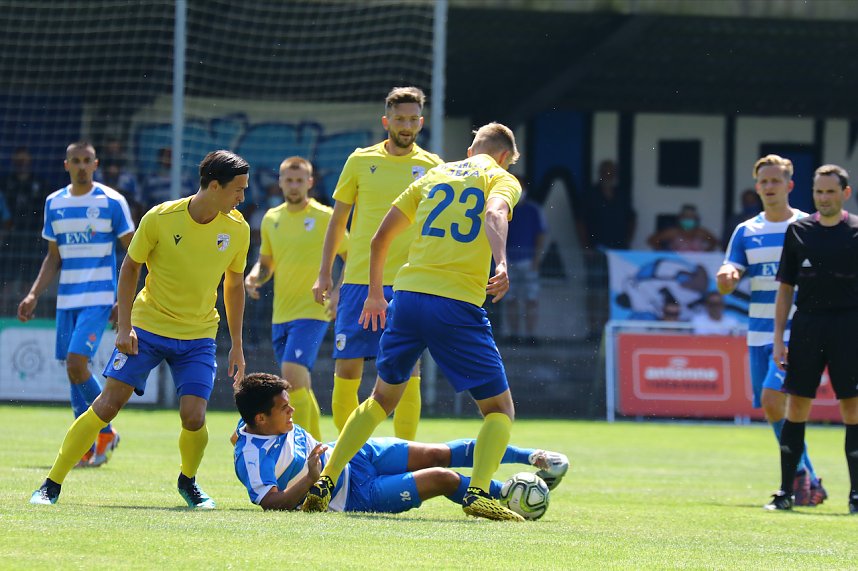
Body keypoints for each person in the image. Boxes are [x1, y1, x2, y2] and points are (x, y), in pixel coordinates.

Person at [302, 122, 526, 521]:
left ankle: (327, 479)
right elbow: (494, 213)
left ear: (470, 149)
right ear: (506, 156)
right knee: (498, 410)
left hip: (405, 297)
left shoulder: (435, 174)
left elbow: (377, 238)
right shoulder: (502, 178)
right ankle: (477, 493)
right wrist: (503, 262)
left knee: (379, 399)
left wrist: (375, 294)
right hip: (455, 304)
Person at [30, 150, 251, 508]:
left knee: (194, 416)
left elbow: (234, 284)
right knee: (107, 404)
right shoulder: (161, 218)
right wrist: (125, 327)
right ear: (213, 186)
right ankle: (50, 484)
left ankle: (188, 482)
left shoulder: (238, 229)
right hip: (147, 328)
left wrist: (237, 344)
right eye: (238, 190)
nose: (243, 197)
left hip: (198, 335)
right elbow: (131, 267)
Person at [233, 372, 568, 512]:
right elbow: (270, 503)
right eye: (283, 408)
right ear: (261, 419)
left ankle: (533, 457)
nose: (292, 409)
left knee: (437, 451)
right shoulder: (250, 456)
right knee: (442, 477)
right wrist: (309, 479)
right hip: (354, 495)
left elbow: (239, 428)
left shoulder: (252, 420)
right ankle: (507, 494)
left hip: (356, 453)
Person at [313, 86, 443, 440]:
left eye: (413, 119)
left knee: (408, 370)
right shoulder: (359, 161)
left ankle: (405, 456)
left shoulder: (434, 168)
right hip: (357, 283)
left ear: (421, 122)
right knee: (348, 368)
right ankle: (352, 460)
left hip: (409, 284)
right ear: (387, 120)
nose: (406, 125)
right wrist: (325, 273)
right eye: (400, 118)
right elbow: (338, 222)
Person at [17, 141, 135, 467]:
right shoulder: (54, 202)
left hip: (98, 298)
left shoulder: (112, 202)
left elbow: (135, 253)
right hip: (66, 299)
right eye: (76, 161)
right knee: (74, 372)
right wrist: (33, 294)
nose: (82, 166)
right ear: (66, 164)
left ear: (95, 164)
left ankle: (106, 431)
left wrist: (122, 300)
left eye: (87, 160)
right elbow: (53, 257)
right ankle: (85, 444)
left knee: (75, 362)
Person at [717, 154, 825, 507]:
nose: (768, 187)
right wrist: (728, 278)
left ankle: (800, 477)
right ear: (756, 186)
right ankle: (808, 477)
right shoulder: (747, 230)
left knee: (772, 400)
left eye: (775, 181)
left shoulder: (808, 226)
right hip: (757, 333)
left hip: (798, 332)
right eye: (763, 181)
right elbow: (728, 276)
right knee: (776, 409)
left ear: (790, 185)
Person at [766, 164, 858, 513]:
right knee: (797, 406)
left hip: (850, 327)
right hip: (807, 326)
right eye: (818, 191)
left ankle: (856, 496)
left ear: (844, 194)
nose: (823, 197)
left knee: (852, 408)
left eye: (830, 191)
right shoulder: (798, 231)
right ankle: (786, 492)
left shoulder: (856, 231)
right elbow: (785, 288)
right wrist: (778, 338)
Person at [244, 156, 348, 441]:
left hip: (313, 312)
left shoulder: (326, 217)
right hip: (281, 315)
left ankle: (311, 454)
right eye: (288, 180)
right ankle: (317, 449)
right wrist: (254, 276)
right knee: (299, 385)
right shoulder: (271, 219)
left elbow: (352, 258)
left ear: (310, 183)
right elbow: (267, 263)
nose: (293, 185)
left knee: (291, 376)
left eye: (299, 180)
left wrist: (339, 291)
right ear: (280, 182)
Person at [575, 159, 636, 341]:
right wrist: (586, 246)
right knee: (595, 291)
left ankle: (609, 329)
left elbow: (632, 219)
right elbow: (581, 222)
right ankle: (594, 329)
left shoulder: (621, 195)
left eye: (612, 172)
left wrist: (627, 242)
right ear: (600, 173)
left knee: (615, 290)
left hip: (618, 252)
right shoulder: (590, 194)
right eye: (605, 171)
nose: (608, 175)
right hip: (596, 250)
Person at [504, 176, 548, 345]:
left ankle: (531, 335)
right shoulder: (505, 209)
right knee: (511, 299)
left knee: (531, 299)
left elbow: (541, 234)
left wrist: (537, 259)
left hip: (529, 262)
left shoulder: (534, 210)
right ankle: (514, 334)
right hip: (508, 261)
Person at [2, 146, 50, 234]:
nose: (22, 165)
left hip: (35, 231)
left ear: (30, 161)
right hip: (10, 232)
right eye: (19, 162)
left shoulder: (41, 184)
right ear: (14, 162)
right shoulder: (4, 183)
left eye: (25, 162)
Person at [647, 204, 718, 252]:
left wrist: (706, 255)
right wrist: (664, 254)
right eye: (685, 216)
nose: (688, 219)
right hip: (676, 263)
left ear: (696, 219)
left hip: (697, 264)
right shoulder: (673, 232)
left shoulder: (701, 232)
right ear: (680, 218)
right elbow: (652, 240)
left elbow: (714, 242)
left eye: (691, 217)